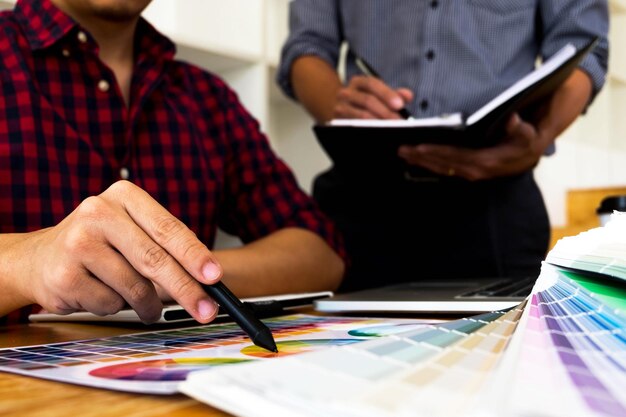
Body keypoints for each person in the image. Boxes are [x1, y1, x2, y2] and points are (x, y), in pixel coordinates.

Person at [0, 0, 346, 325]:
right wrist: (26, 263)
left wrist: (171, 271)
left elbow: (320, 251)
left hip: (176, 372)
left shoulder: (206, 97)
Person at [277, 0, 609, 292]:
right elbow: (306, 46)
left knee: (507, 357)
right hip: (362, 198)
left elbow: (585, 48)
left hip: (496, 209)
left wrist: (538, 137)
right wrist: (341, 103)